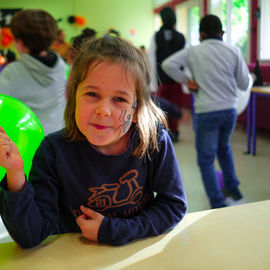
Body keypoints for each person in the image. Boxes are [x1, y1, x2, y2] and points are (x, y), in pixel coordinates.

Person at [0, 35, 187, 249]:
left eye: (119, 99)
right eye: (92, 94)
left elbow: (173, 206)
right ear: (73, 96)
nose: (103, 111)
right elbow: (30, 236)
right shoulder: (53, 151)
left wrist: (112, 230)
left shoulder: (154, 141)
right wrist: (14, 174)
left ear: (136, 110)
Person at [162, 14, 250, 209]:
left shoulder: (193, 51)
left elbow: (168, 64)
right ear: (222, 33)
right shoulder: (234, 51)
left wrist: (187, 80)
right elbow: (244, 84)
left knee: (206, 159)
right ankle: (234, 191)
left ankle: (217, 203)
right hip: (230, 110)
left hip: (206, 111)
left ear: (201, 34)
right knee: (224, 149)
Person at [0, 9, 67, 135]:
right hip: (59, 139)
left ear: (19, 42)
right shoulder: (62, 66)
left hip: (29, 143)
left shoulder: (13, 72)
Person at [148, 6, 185, 142]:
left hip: (161, 79)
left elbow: (151, 59)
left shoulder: (156, 36)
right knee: (175, 106)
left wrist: (152, 83)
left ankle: (163, 132)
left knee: (161, 106)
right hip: (177, 79)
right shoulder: (180, 37)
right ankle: (174, 131)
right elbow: (185, 61)